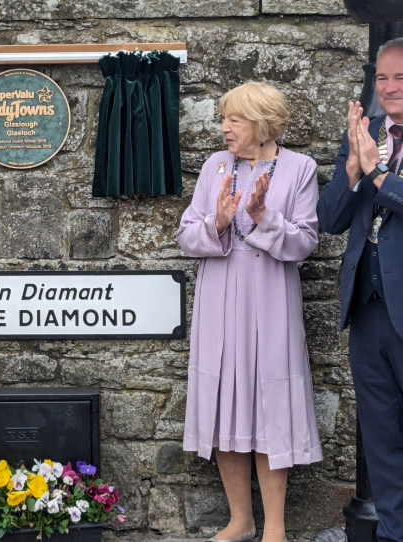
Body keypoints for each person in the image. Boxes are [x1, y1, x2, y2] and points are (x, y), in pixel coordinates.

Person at [177, 82, 321, 542]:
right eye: (224, 118)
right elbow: (186, 236)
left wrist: (263, 215)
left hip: (271, 297)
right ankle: (241, 520)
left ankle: (274, 527)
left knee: (269, 406)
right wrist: (218, 221)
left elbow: (304, 243)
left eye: (234, 119)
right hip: (220, 296)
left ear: (261, 122)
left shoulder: (300, 168)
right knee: (225, 404)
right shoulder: (215, 166)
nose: (224, 128)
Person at [317, 38, 403, 541]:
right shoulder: (364, 134)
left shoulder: (375, 149)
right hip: (368, 312)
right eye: (383, 78)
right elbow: (329, 221)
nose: (390, 89)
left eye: (401, 78)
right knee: (381, 436)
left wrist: (374, 170)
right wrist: (351, 171)